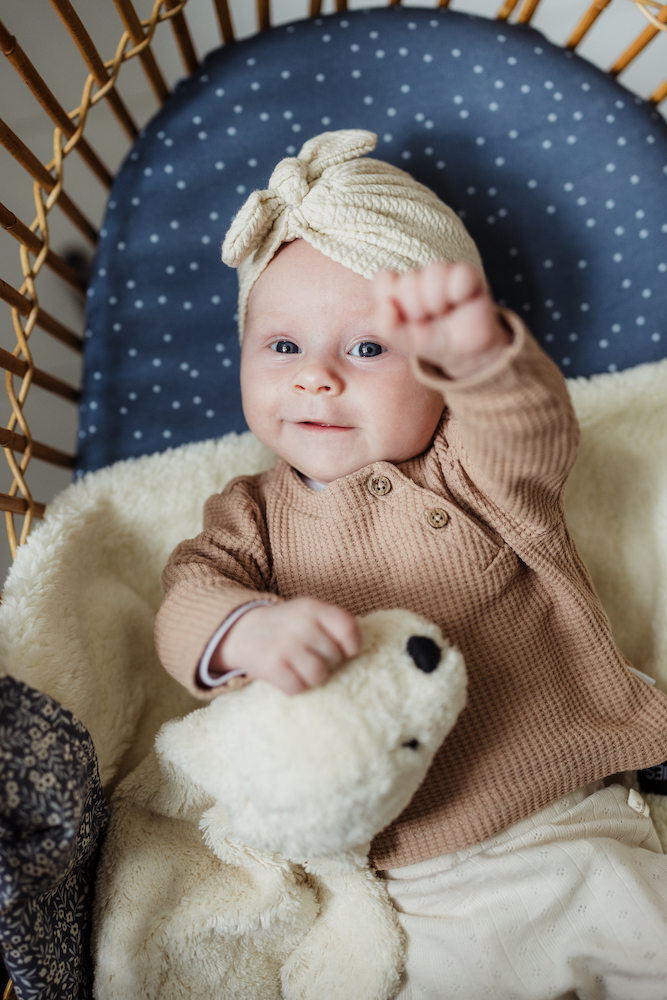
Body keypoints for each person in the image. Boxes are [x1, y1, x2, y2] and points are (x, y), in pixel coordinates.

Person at [155, 130, 667, 998]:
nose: (316, 378)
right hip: (417, 876)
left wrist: (482, 359)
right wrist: (246, 631)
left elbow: (530, 428)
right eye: (282, 347)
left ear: (440, 373)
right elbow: (185, 600)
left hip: (568, 815)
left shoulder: (471, 467)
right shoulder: (249, 514)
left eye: (366, 349)